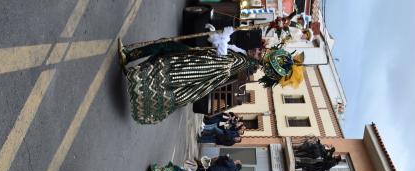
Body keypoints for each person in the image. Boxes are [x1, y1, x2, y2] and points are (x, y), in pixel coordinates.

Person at [119, 35, 304, 124]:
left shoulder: (241, 61)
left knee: (164, 51)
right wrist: (219, 41)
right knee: (163, 49)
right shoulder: (245, 59)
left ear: (259, 60)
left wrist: (218, 46)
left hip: (189, 64)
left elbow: (218, 66)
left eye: (259, 52)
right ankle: (130, 59)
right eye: (258, 49)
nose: (256, 50)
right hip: (194, 58)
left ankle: (130, 60)